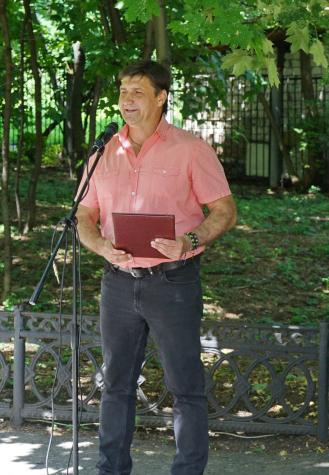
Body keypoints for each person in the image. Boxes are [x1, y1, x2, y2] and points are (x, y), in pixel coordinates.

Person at [76, 59, 237, 475]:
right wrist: (100, 246)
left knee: (185, 387)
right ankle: (111, 470)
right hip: (117, 284)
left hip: (173, 283)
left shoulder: (191, 149)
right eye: (122, 92)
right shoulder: (102, 152)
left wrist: (190, 241)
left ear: (161, 97)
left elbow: (224, 211)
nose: (127, 100)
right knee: (115, 385)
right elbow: (83, 217)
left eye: (137, 92)